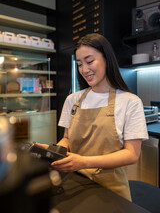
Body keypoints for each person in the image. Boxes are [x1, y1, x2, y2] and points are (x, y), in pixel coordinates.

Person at [37, 33, 148, 201]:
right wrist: (55, 152)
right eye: (80, 64)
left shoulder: (130, 102)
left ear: (107, 59)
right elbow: (67, 138)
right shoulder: (72, 100)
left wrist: (83, 162)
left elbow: (132, 154)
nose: (84, 70)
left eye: (89, 61)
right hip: (75, 181)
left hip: (111, 188)